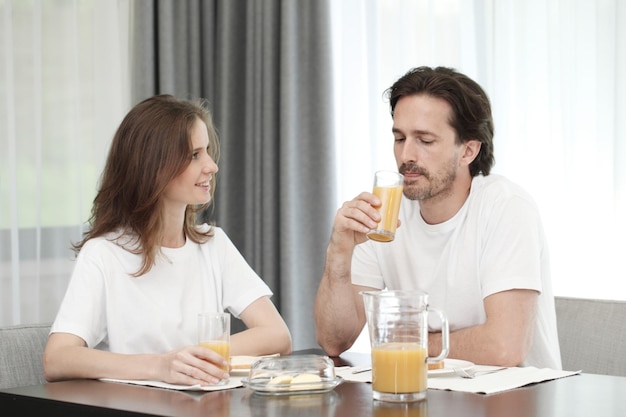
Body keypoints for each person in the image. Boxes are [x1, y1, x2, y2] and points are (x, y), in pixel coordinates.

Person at [314, 66, 561, 369]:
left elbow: (504, 348)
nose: (406, 156)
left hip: (513, 401)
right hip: (426, 395)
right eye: (399, 138)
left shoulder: (505, 206)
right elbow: (334, 341)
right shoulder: (384, 215)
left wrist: (405, 343)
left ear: (467, 151)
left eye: (425, 140)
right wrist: (338, 252)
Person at [43, 95, 292, 386]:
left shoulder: (214, 245)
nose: (212, 166)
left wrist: (193, 360)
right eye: (194, 155)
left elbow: (277, 336)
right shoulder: (103, 253)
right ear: (154, 168)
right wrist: (160, 366)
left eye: (208, 151)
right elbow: (57, 358)